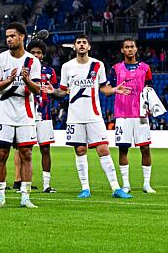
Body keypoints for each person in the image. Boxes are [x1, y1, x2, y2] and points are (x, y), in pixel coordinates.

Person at [55, 35, 132, 199]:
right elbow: (62, 90)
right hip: (75, 117)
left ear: (89, 46)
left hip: (94, 115)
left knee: (103, 149)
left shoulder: (98, 65)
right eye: (78, 43)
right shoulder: (67, 67)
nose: (81, 45)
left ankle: (116, 188)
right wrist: (52, 92)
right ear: (74, 47)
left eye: (84, 43)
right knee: (80, 150)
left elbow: (104, 88)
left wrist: (114, 90)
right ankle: (85, 188)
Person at [0, 23, 42, 208]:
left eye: (12, 36)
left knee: (27, 154)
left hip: (25, 115)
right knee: (1, 153)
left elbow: (37, 90)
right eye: (7, 36)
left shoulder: (32, 61)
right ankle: (0, 195)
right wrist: (10, 79)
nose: (9, 39)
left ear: (22, 37)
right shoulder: (0, 59)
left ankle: (25, 197)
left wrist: (26, 79)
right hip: (3, 113)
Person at [110, 38, 156, 194]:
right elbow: (109, 88)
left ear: (136, 49)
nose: (129, 49)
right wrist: (116, 89)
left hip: (141, 114)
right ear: (122, 50)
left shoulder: (145, 68)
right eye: (126, 47)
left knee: (145, 148)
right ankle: (126, 184)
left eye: (132, 47)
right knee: (123, 149)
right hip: (122, 114)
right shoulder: (115, 68)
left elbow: (150, 88)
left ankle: (146, 184)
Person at [26, 39, 62, 193]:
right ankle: (24, 183)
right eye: (33, 52)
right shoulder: (23, 69)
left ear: (42, 55)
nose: (36, 55)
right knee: (25, 150)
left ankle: (46, 184)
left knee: (45, 149)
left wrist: (53, 91)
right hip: (26, 115)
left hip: (44, 114)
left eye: (38, 52)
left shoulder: (49, 72)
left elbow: (56, 92)